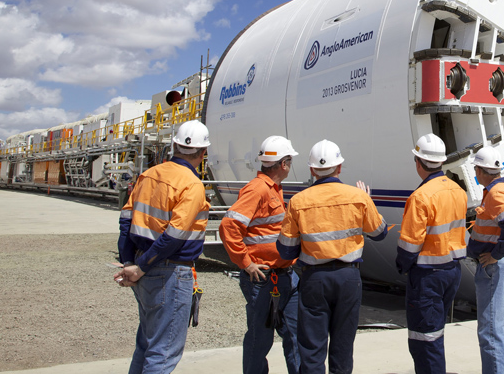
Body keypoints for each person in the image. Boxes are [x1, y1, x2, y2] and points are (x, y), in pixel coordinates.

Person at [276, 139, 387, 374]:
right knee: (343, 346)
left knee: (312, 349)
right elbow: (379, 233)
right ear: (339, 168)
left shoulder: (298, 201)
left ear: (311, 169)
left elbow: (286, 250)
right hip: (348, 278)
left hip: (314, 279)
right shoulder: (358, 197)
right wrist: (368, 202)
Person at [115, 120, 211, 374]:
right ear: (203, 154)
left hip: (143, 269)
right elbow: (175, 236)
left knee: (146, 345)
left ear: (175, 146)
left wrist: (130, 263)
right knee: (163, 353)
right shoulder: (192, 185)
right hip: (170, 273)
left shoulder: (148, 175)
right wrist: (141, 267)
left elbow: (126, 221)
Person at [220, 136, 301, 374]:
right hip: (264, 278)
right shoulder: (257, 189)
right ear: (284, 164)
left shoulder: (273, 189)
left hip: (286, 275)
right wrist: (246, 263)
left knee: (296, 335)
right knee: (260, 338)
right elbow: (229, 226)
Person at [396, 134, 467, 374]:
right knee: (435, 333)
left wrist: (402, 265)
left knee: (424, 340)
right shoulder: (458, 190)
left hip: (428, 277)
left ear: (418, 162)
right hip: (452, 272)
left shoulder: (421, 197)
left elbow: (409, 245)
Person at [466, 146, 504, 374]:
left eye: (476, 169)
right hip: (503, 264)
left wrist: (496, 253)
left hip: (494, 268)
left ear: (480, 171)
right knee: (501, 329)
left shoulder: (496, 194)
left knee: (490, 331)